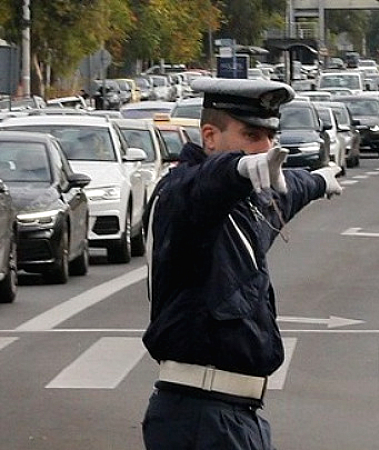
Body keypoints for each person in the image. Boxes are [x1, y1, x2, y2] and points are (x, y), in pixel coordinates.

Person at [141, 78, 343, 450]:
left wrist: (316, 181)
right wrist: (238, 170)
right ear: (210, 137)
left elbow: (284, 194)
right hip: (201, 417)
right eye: (251, 135)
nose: (266, 147)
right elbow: (205, 184)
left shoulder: (245, 204)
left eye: (270, 136)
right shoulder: (183, 197)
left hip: (235, 416)